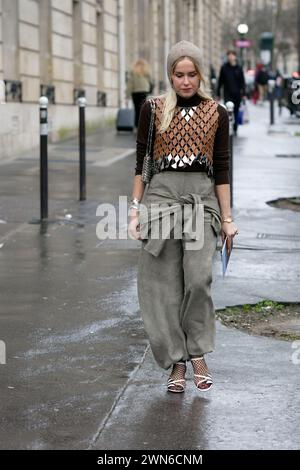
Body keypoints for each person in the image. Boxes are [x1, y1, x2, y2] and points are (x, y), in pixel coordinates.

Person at [128, 40, 238, 393]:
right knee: (161, 286)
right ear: (170, 75)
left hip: (201, 199)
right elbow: (142, 162)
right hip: (160, 196)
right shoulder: (153, 108)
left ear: (201, 75)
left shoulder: (216, 112)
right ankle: (177, 361)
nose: (186, 81)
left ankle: (197, 352)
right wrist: (135, 209)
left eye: (192, 75)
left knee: (197, 279)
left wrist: (227, 217)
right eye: (179, 74)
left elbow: (222, 168)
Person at [216, 50, 246, 135]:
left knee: (236, 110)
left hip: (237, 94)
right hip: (227, 93)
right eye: (229, 55)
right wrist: (218, 93)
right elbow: (220, 81)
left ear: (235, 57)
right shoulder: (224, 67)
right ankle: (229, 126)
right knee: (228, 110)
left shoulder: (239, 68)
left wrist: (244, 94)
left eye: (232, 55)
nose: (230, 57)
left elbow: (242, 81)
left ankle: (235, 127)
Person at [126, 58, 154, 131]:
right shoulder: (146, 71)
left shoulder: (133, 72)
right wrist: (150, 91)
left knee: (137, 109)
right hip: (144, 91)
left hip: (135, 92)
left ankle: (136, 126)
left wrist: (127, 93)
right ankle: (143, 125)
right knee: (143, 109)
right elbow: (151, 81)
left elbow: (130, 83)